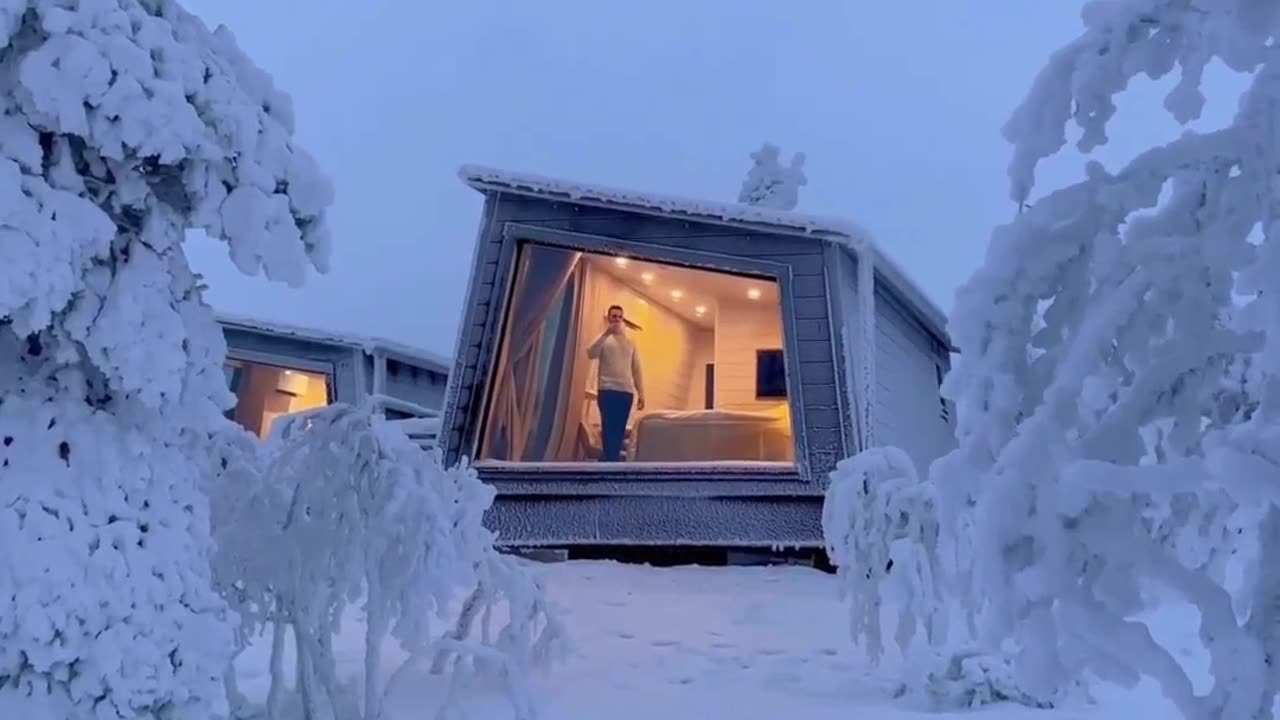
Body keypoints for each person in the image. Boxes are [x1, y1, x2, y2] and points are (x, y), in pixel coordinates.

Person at [585, 304, 645, 462]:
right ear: (608, 318)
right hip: (607, 390)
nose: (617, 319)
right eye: (614, 316)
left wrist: (641, 393)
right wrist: (606, 333)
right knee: (608, 428)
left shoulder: (630, 343)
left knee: (619, 430)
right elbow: (591, 353)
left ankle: (612, 461)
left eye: (619, 316)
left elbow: (636, 369)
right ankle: (608, 460)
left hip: (626, 392)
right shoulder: (603, 338)